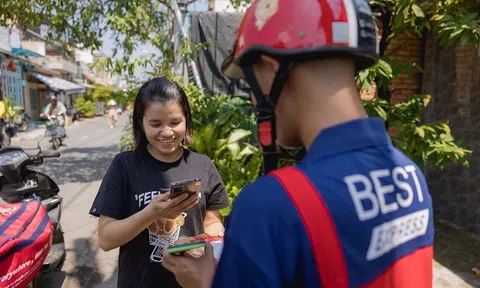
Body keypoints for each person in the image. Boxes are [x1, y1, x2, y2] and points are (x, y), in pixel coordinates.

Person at [161, 0, 434, 287]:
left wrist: (205, 279)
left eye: (249, 81)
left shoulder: (272, 206)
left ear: (269, 69)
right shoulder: (410, 175)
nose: (254, 99)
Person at [89, 77, 230, 288]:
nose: (167, 132)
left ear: (186, 120)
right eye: (155, 124)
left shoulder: (203, 165)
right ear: (141, 123)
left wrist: (216, 238)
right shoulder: (125, 165)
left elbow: (211, 222)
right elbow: (106, 239)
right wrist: (151, 214)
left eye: (175, 122)